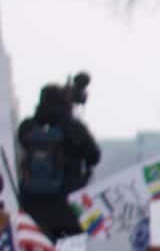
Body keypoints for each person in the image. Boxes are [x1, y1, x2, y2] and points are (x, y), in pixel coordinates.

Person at [12, 75, 101, 241]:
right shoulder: (74, 129)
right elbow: (94, 157)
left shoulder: (27, 128)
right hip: (68, 210)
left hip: (32, 210)